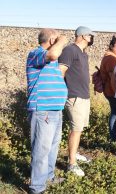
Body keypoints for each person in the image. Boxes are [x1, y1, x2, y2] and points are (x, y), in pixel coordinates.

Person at [26, 28, 68, 194]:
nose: (60, 43)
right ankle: (37, 188)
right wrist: (62, 40)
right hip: (42, 110)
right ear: (51, 40)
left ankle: (48, 177)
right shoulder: (36, 53)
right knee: (41, 150)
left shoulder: (51, 59)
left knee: (52, 148)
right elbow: (52, 54)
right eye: (56, 39)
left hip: (55, 110)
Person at [58, 26, 95, 176]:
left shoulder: (83, 53)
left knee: (79, 129)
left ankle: (74, 153)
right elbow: (60, 71)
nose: (92, 38)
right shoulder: (70, 50)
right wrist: (60, 94)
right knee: (76, 129)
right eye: (90, 35)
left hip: (83, 96)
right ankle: (71, 163)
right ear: (82, 36)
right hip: (74, 96)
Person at [99, 36, 116, 143]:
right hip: (112, 90)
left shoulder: (111, 57)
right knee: (115, 112)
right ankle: (113, 137)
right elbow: (113, 78)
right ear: (111, 46)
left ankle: (113, 136)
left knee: (115, 112)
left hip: (111, 90)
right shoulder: (111, 59)